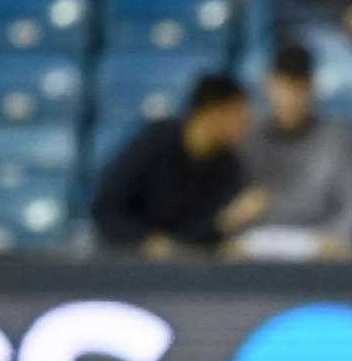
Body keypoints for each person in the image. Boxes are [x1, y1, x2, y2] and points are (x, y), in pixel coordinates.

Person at [93, 74, 263, 258]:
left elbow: (194, 235)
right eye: (238, 114)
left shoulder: (228, 165)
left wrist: (225, 222)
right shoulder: (156, 141)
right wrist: (145, 240)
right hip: (126, 263)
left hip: (183, 270)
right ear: (213, 112)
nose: (245, 123)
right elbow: (106, 210)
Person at [234, 43, 352, 261]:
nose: (290, 97)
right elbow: (233, 209)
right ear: (269, 85)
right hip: (259, 244)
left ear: (312, 88)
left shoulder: (340, 138)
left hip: (322, 242)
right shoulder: (248, 138)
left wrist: (337, 237)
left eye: (298, 88)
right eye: (283, 87)